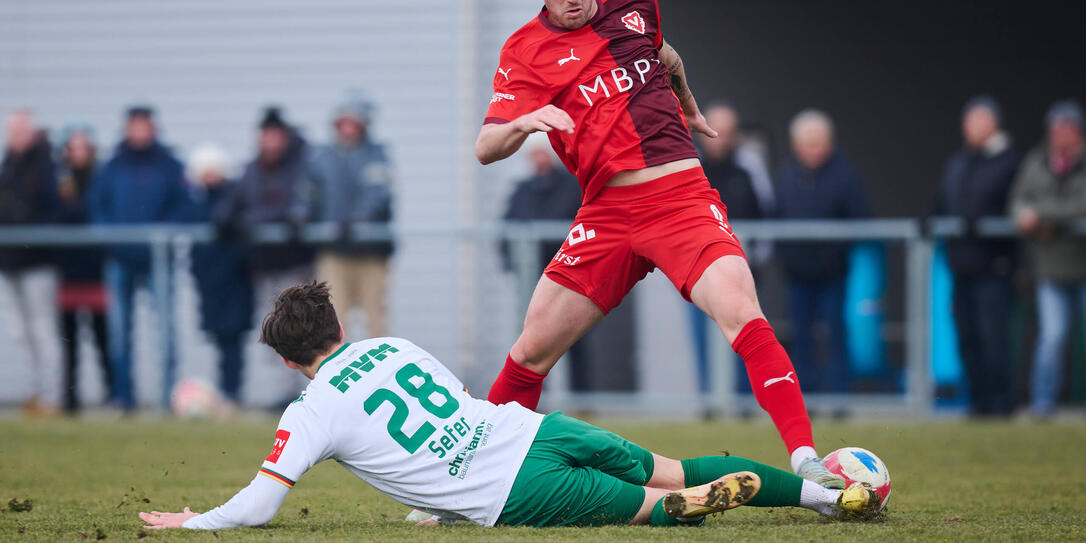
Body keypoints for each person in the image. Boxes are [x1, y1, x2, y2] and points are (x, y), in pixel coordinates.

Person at [136, 281, 879, 531]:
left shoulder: (310, 409)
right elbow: (457, 405)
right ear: (337, 326)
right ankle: (827, 495)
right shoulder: (393, 346)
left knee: (655, 508)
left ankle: (684, 509)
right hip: (532, 428)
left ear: (290, 360)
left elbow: (262, 504)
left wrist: (193, 521)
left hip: (512, 488)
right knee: (676, 467)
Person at [475, 0, 842, 487]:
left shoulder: (633, 7)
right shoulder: (525, 49)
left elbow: (666, 55)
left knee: (743, 313)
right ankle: (470, 482)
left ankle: (807, 461)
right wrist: (522, 123)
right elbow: (485, 147)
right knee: (530, 353)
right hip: (605, 213)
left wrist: (687, 102)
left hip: (680, 200)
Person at [501, 134, 636, 392]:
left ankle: (581, 397)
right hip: (531, 278)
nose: (538, 159)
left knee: (574, 338)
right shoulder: (522, 191)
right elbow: (506, 228)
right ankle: (537, 398)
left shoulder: (571, 187)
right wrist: (511, 263)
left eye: (542, 153)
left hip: (570, 274)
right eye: (534, 155)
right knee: (533, 343)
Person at [88, 105, 193, 411]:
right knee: (120, 333)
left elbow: (184, 207)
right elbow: (97, 207)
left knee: (165, 331)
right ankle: (124, 398)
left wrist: (162, 235)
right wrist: (112, 238)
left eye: (144, 126)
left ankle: (168, 397)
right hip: (120, 259)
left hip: (158, 260)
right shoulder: (112, 167)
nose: (140, 132)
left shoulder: (169, 165)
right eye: (135, 126)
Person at [214, 107, 312, 405]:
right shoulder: (251, 171)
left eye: (273, 136)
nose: (268, 142)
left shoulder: (300, 168)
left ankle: (309, 392)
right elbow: (227, 211)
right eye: (264, 136)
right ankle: (285, 393)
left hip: (295, 265)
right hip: (264, 266)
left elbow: (298, 210)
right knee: (275, 331)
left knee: (304, 330)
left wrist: (257, 221)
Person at [932, 96, 1021, 416]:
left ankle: (1001, 404)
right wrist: (929, 216)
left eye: (979, 121)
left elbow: (1009, 203)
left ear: (993, 124)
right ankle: (979, 403)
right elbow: (944, 200)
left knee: (992, 336)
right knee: (967, 335)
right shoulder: (959, 162)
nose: (972, 128)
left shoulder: (1009, 161)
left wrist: (982, 218)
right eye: (969, 122)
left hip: (994, 264)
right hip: (962, 264)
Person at [774, 110, 872, 394]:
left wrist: (835, 252)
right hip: (797, 273)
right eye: (807, 143)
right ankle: (804, 394)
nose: (813, 149)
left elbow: (861, 219)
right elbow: (775, 218)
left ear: (830, 143)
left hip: (833, 273)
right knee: (800, 335)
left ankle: (840, 394)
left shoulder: (845, 176)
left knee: (836, 333)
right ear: (796, 145)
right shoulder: (786, 177)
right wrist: (787, 258)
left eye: (818, 142)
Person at [1010, 100, 1086, 418]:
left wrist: (1040, 216)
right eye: (1057, 129)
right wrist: (1027, 216)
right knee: (1052, 338)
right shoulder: (1037, 161)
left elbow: (1079, 205)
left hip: (1082, 265)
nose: (1061, 135)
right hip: (1051, 268)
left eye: (1068, 129)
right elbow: (1017, 203)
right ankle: (1043, 404)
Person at [689, 102, 766, 406]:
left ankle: (744, 402)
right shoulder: (689, 169)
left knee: (744, 337)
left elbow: (765, 217)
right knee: (703, 341)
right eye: (714, 131)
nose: (719, 138)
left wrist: (755, 263)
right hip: (697, 275)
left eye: (727, 132)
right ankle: (710, 402)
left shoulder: (748, 172)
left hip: (739, 275)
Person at [302, 94, 394, 339]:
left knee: (375, 318)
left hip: (371, 251)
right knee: (334, 318)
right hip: (334, 251)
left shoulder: (376, 155)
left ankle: (381, 362)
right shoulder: (322, 158)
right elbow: (308, 194)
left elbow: (378, 196)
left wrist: (355, 222)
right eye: (344, 123)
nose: (348, 129)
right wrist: (300, 216)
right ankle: (341, 362)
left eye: (353, 123)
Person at [0, 109, 63, 416]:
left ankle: (51, 397)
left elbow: (56, 210)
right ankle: (34, 392)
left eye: (22, 131)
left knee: (43, 330)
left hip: (38, 261)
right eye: (12, 132)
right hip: (9, 261)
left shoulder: (47, 167)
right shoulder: (7, 166)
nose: (16, 137)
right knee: (19, 332)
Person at [188, 144, 254, 405]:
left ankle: (232, 393)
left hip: (235, 279)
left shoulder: (236, 199)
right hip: (210, 281)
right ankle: (224, 392)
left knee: (233, 339)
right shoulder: (194, 203)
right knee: (219, 338)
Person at [55, 124, 112, 413]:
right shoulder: (57, 180)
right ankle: (70, 400)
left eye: (83, 147)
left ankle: (113, 395)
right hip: (67, 270)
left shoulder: (101, 179)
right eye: (73, 147)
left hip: (95, 270)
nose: (78, 153)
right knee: (69, 341)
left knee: (103, 337)